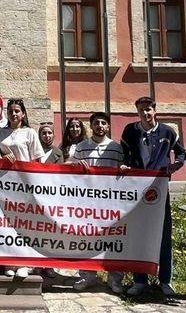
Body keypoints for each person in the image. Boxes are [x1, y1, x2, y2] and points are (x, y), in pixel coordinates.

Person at [121, 96, 185, 297]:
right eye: (141, 110)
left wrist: (176, 164)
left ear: (155, 110)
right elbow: (124, 155)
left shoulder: (167, 131)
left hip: (159, 188)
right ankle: (140, 280)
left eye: (148, 109)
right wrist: (124, 165)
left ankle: (166, 280)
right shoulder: (130, 131)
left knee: (163, 233)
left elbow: (181, 153)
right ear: (137, 112)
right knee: (138, 234)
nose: (145, 113)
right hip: (137, 189)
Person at [67, 112, 127, 293]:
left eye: (103, 123)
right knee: (86, 239)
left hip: (110, 203)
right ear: (91, 126)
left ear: (108, 126)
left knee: (113, 239)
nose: (100, 126)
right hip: (87, 202)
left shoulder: (116, 148)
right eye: (96, 123)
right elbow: (70, 166)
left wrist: (124, 168)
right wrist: (76, 166)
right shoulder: (81, 146)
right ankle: (87, 276)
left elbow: (123, 169)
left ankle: (115, 278)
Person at [0, 98, 43, 278]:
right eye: (11, 111)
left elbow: (37, 161)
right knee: (7, 223)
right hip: (5, 184)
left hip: (25, 184)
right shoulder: (0, 133)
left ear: (23, 114)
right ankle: (10, 261)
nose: (14, 114)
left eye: (17, 111)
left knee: (25, 224)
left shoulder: (30, 133)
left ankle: (26, 263)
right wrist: (2, 156)